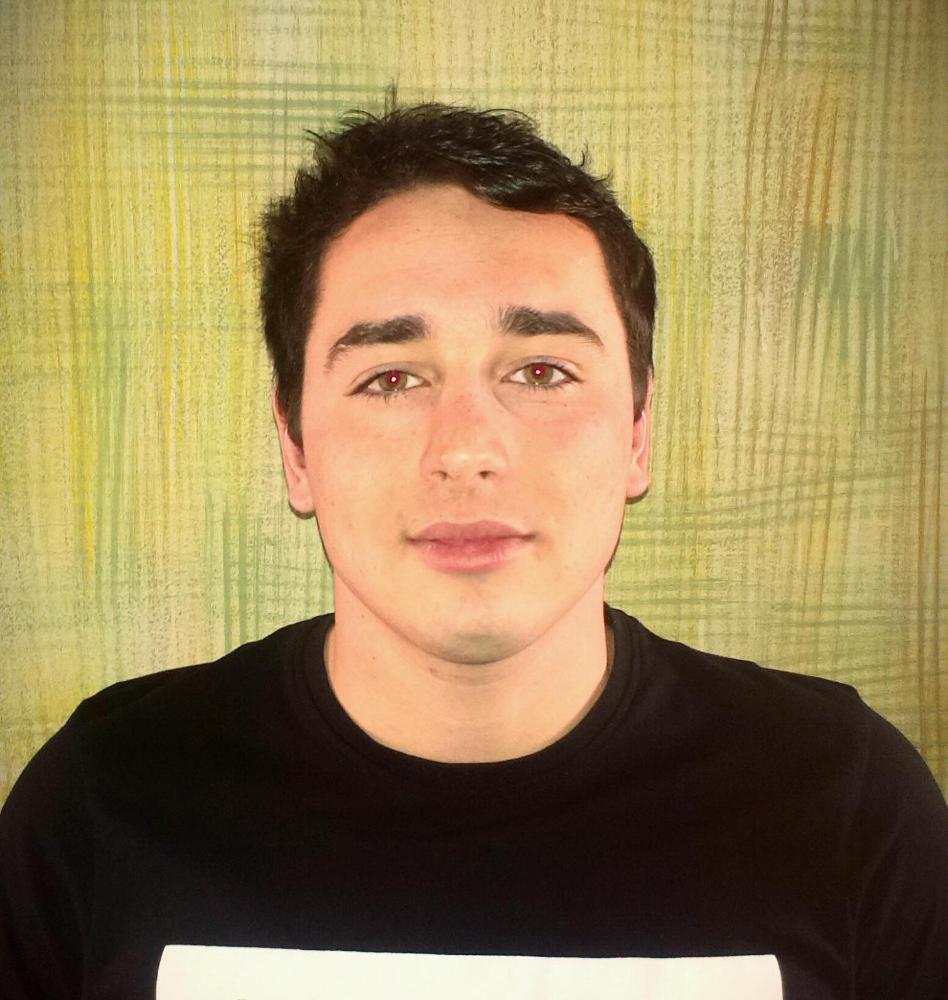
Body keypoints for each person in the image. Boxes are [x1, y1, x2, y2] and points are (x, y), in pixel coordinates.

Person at [1, 103, 945, 1000]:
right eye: (391, 378)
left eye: (541, 370)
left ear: (637, 432)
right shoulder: (104, 800)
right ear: (295, 448)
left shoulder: (845, 801)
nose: (465, 449)